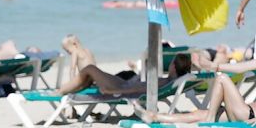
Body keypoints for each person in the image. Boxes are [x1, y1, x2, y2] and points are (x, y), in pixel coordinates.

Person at [58, 35, 191, 96]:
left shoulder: (165, 82)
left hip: (122, 87)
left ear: (173, 67)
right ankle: (68, 89)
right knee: (91, 72)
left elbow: (138, 90)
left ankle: (61, 91)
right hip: (123, 83)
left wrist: (113, 92)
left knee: (90, 69)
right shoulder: (169, 82)